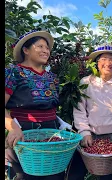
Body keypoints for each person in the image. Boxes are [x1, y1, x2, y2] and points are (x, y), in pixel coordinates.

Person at [5, 30, 65, 180]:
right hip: (23, 131)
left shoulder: (52, 78)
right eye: (40, 47)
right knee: (26, 175)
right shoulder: (14, 72)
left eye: (47, 48)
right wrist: (13, 128)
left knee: (54, 174)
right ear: (26, 50)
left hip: (51, 132)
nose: (45, 51)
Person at [67, 44, 112, 180]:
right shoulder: (86, 82)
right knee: (75, 174)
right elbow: (79, 109)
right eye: (104, 59)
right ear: (97, 63)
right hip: (89, 136)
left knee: (107, 176)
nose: (108, 63)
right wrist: (84, 132)